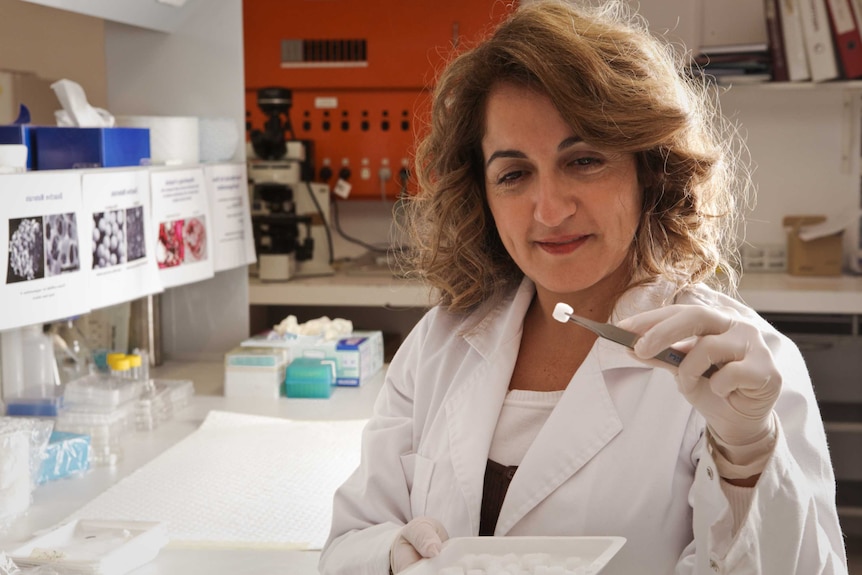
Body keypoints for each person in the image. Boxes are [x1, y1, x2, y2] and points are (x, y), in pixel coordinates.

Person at [319, 1, 848, 573]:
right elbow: (349, 542)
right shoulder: (441, 344)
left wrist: (747, 458)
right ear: (483, 194)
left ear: (650, 169)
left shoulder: (744, 371)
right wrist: (392, 558)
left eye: (585, 160)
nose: (549, 209)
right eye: (514, 174)